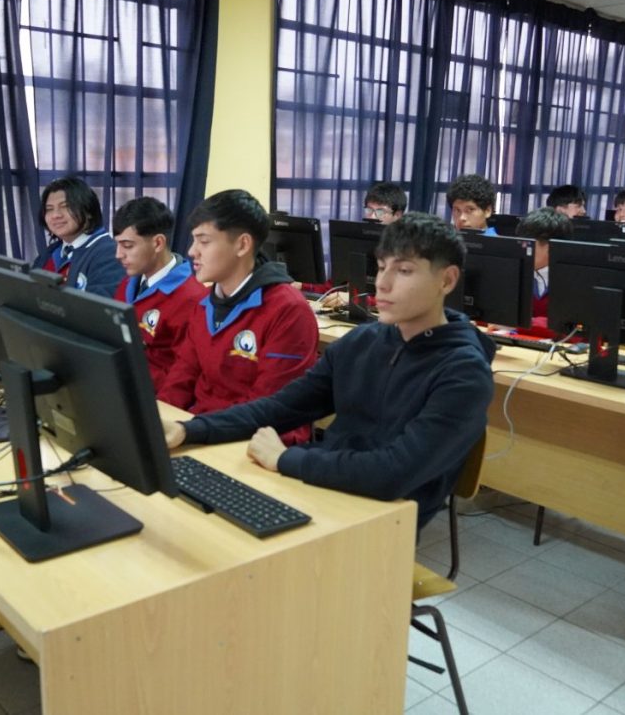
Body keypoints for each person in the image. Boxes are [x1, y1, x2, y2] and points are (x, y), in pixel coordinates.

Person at [161, 212, 496, 531]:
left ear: (447, 280)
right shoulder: (363, 341)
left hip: (381, 522)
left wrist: (286, 460)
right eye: (381, 268)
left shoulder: (464, 373)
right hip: (319, 490)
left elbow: (394, 472)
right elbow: (282, 407)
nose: (383, 283)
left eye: (404, 271)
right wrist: (191, 430)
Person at [158, 189, 319, 444]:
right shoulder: (205, 305)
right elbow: (181, 378)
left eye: (204, 241)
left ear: (242, 244)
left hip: (255, 444)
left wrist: (196, 430)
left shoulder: (288, 311)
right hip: (201, 432)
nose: (191, 251)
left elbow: (268, 409)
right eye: (193, 240)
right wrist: (156, 422)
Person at [112, 196, 208, 389]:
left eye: (127, 246)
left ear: (157, 243)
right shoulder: (128, 284)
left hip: (154, 398)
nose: (118, 254)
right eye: (118, 244)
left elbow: (184, 372)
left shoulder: (192, 298)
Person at [295, 181, 408, 298]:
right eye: (369, 210)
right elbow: (337, 285)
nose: (372, 217)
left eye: (380, 212)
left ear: (398, 215)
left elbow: (400, 299)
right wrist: (302, 286)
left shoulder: (407, 251)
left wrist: (353, 300)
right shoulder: (357, 242)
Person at [33, 176, 124, 296]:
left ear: (89, 211)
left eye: (65, 206)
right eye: (49, 209)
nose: (55, 215)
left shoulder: (110, 253)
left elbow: (99, 308)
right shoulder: (51, 252)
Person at [515, 207, 573, 327]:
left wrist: (532, 323)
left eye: (528, 244)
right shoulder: (516, 274)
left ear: (552, 247)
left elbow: (574, 328)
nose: (522, 248)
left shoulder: (573, 280)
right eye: (521, 242)